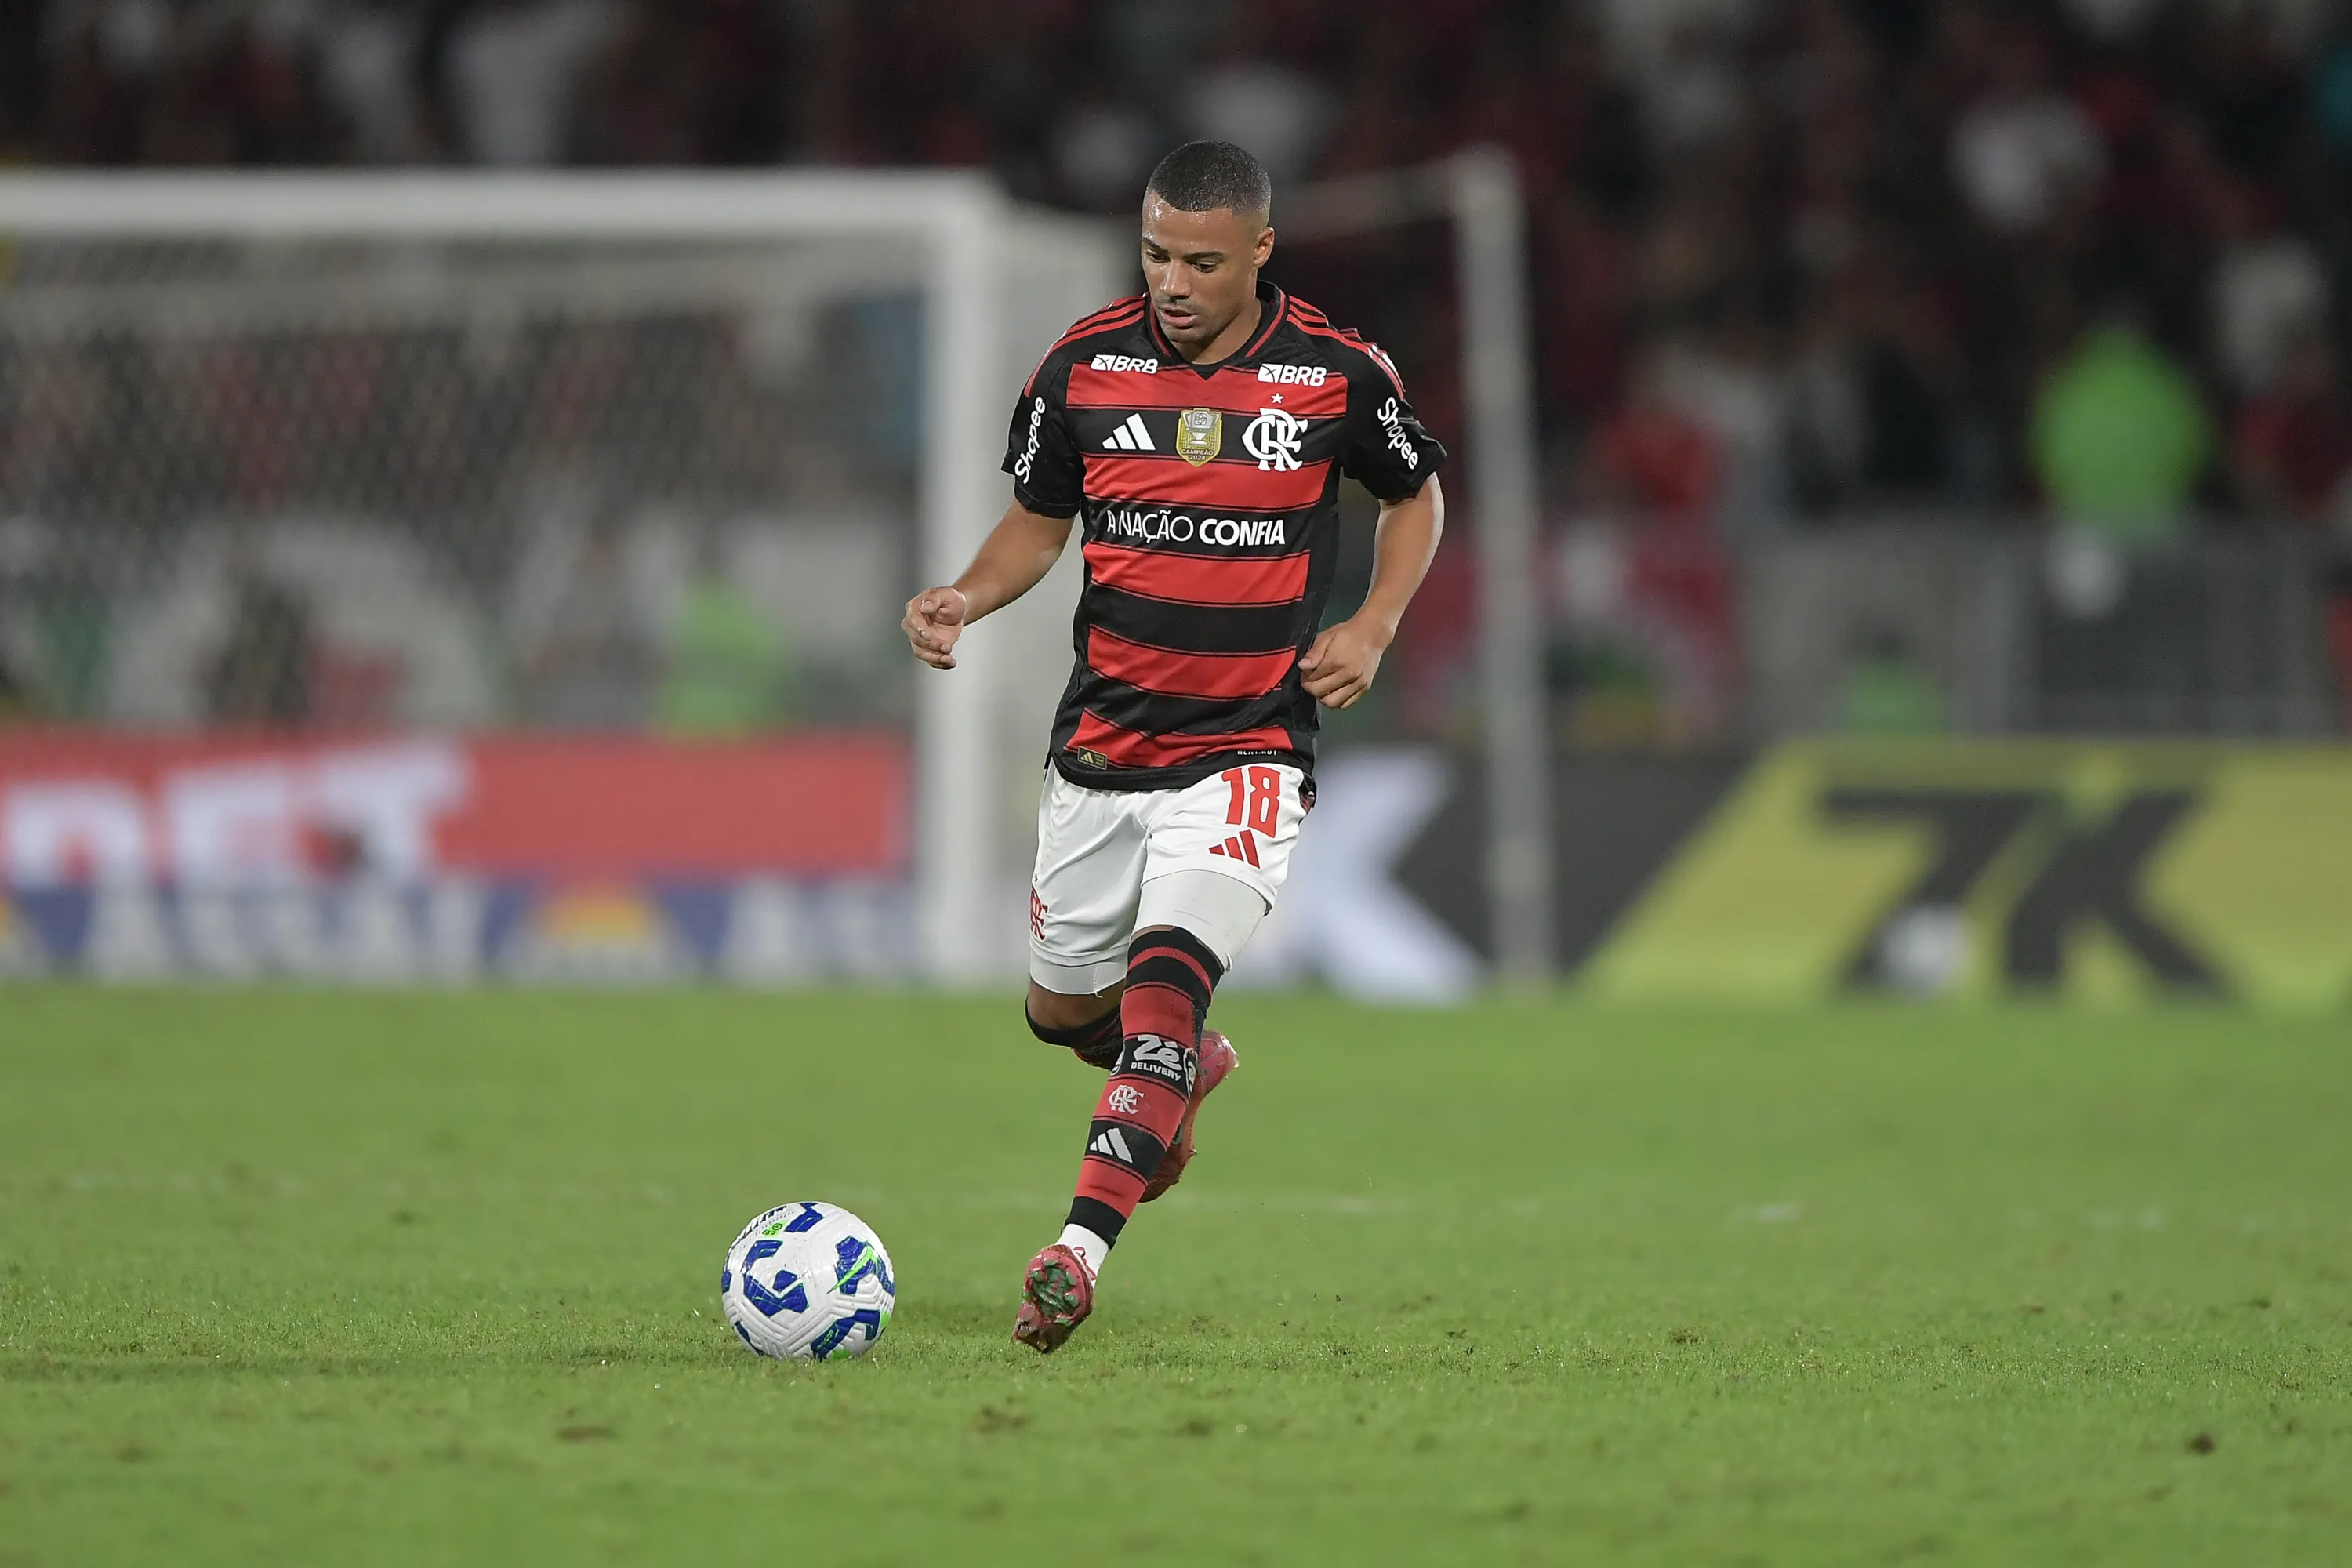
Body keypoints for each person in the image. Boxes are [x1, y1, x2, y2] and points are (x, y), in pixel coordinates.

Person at [902, 140, 1447, 1353]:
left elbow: (1414, 492)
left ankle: (1076, 1254)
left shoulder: (1334, 373)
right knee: (1059, 1013)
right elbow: (1037, 529)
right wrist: (963, 596)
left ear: (1260, 252)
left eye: (1202, 260)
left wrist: (1374, 621)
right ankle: (1177, 1075)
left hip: (1247, 751)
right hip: (1101, 750)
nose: (1175, 281)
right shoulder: (1082, 368)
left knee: (1166, 992)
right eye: (1157, 254)